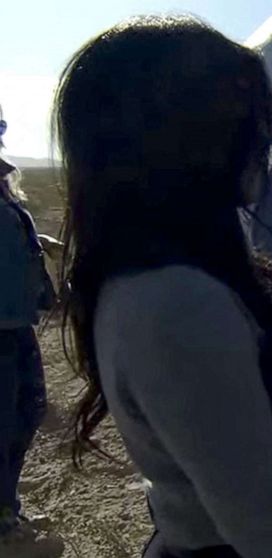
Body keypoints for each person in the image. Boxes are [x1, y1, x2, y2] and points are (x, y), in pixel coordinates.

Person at [56, 16, 272, 557]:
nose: (263, 138)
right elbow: (262, 521)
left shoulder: (193, 276)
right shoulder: (174, 303)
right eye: (242, 116)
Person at [0, 107, 63, 557]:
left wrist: (37, 242)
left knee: (25, 413)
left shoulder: (2, 186)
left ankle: (7, 508)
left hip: (15, 323)